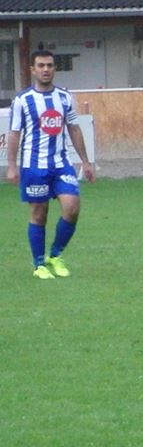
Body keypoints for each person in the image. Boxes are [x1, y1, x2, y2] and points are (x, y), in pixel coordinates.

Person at [5, 50, 95, 279]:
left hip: (61, 163)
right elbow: (14, 133)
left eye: (50, 65)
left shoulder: (65, 97)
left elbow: (74, 128)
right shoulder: (23, 100)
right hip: (33, 165)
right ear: (33, 70)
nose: (46, 69)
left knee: (72, 207)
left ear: (55, 69)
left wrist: (86, 161)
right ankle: (39, 265)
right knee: (39, 214)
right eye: (41, 65)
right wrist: (12, 166)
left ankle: (55, 255)